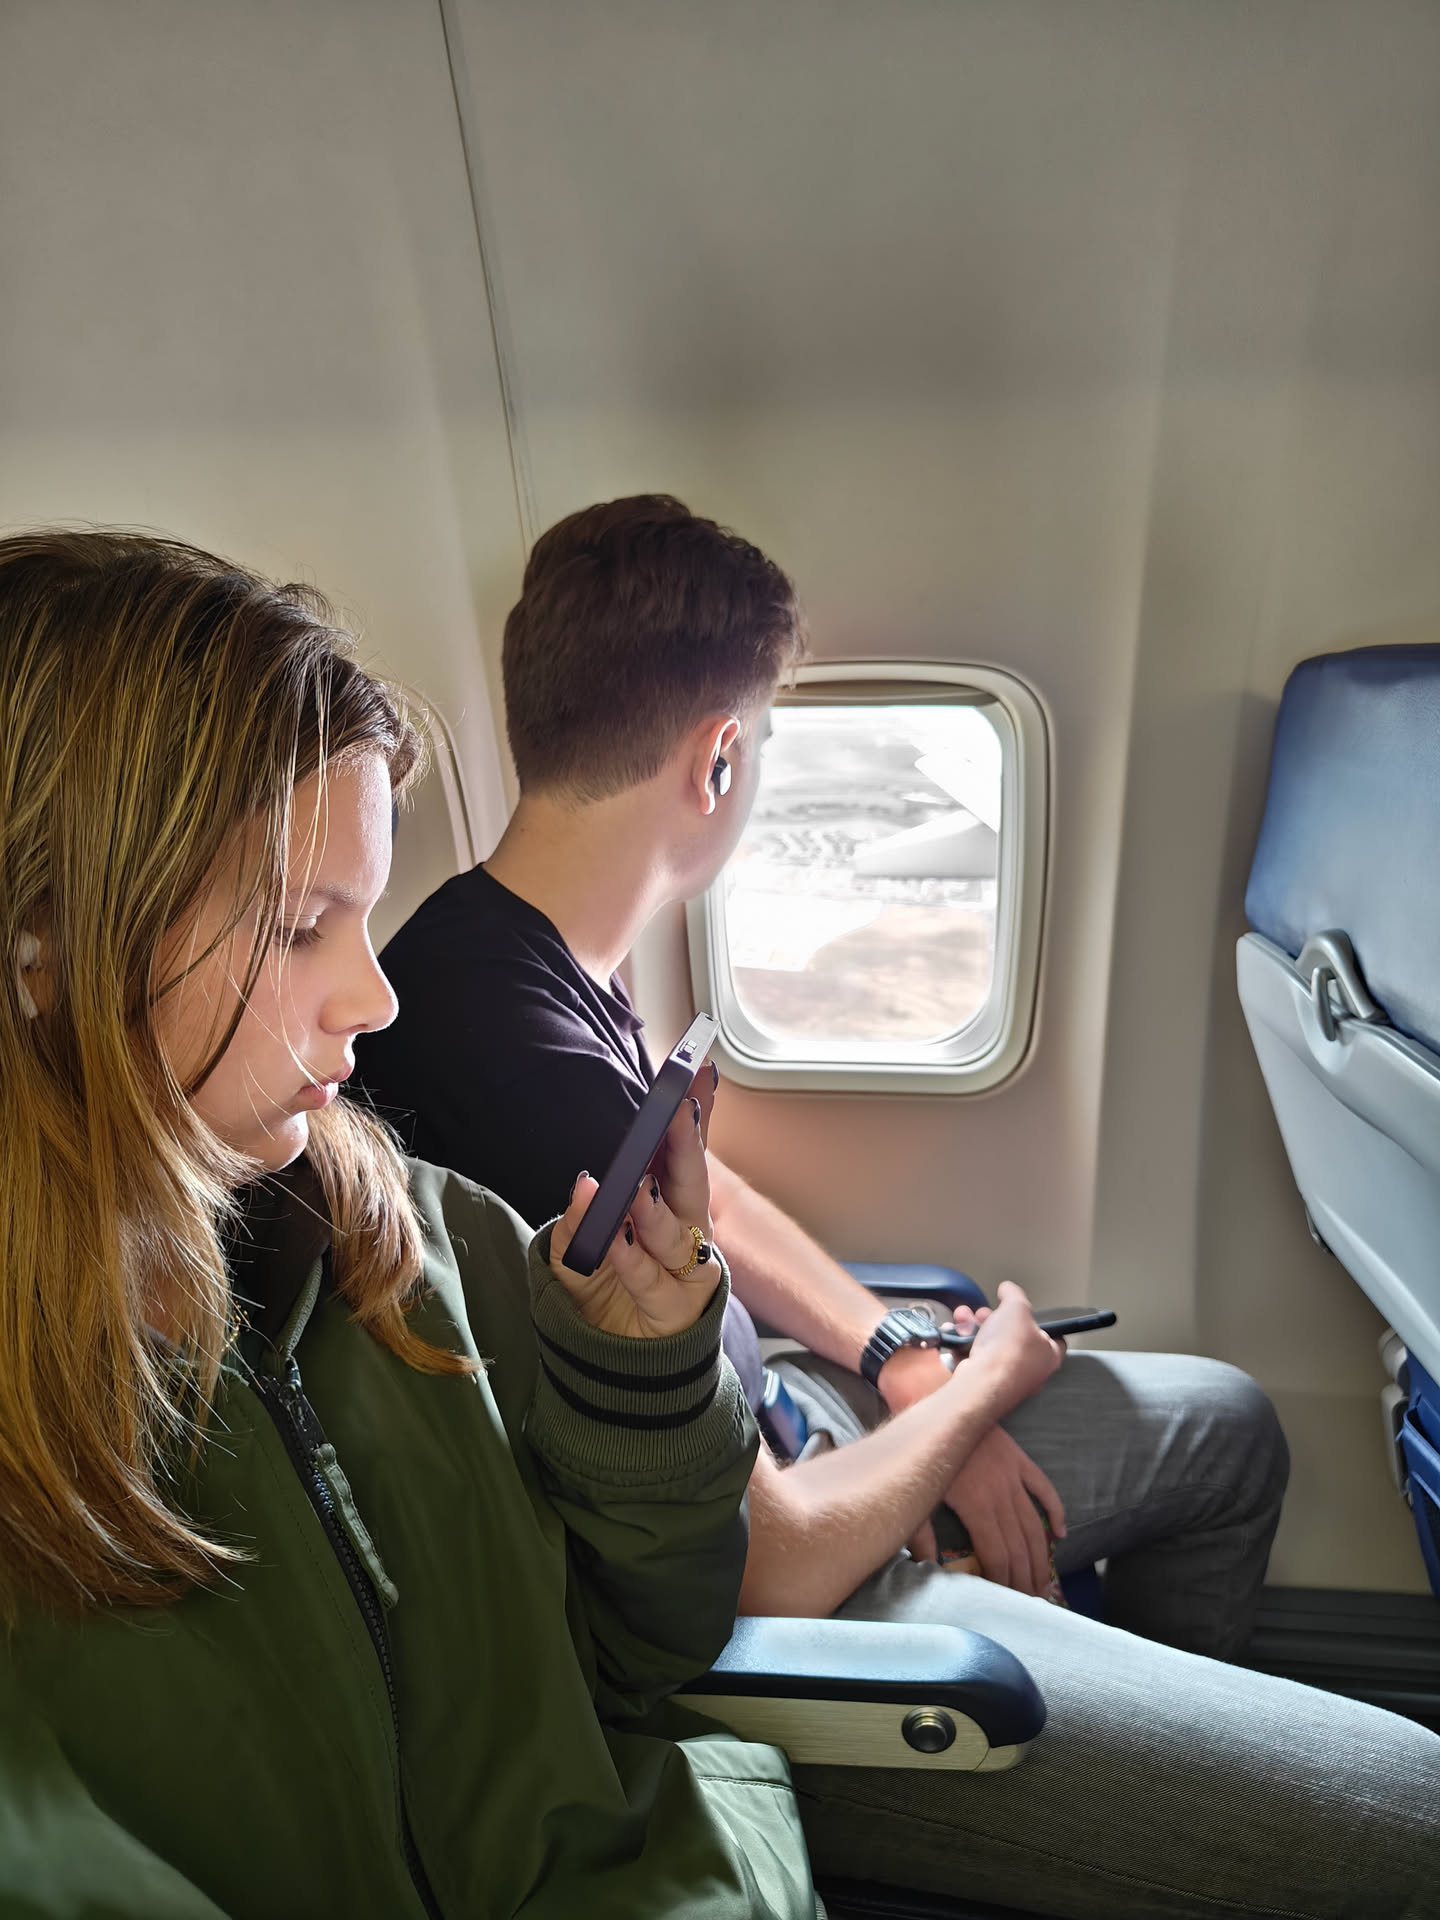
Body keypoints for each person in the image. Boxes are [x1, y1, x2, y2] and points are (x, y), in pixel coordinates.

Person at [354, 495, 1440, 1918]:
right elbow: (771, 1568)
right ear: (720, 756)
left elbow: (707, 1204)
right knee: (1414, 1823)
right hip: (755, 1626)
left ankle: (1168, 1827)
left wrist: (894, 1352)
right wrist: (970, 1405)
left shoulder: (507, 945)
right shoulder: (515, 1069)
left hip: (789, 1424)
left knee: (1228, 1431)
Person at [0, 528, 842, 1918]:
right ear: (41, 944)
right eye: (299, 927)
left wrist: (637, 1382)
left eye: (367, 916)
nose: (375, 997)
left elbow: (640, 1653)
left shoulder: (423, 1242)